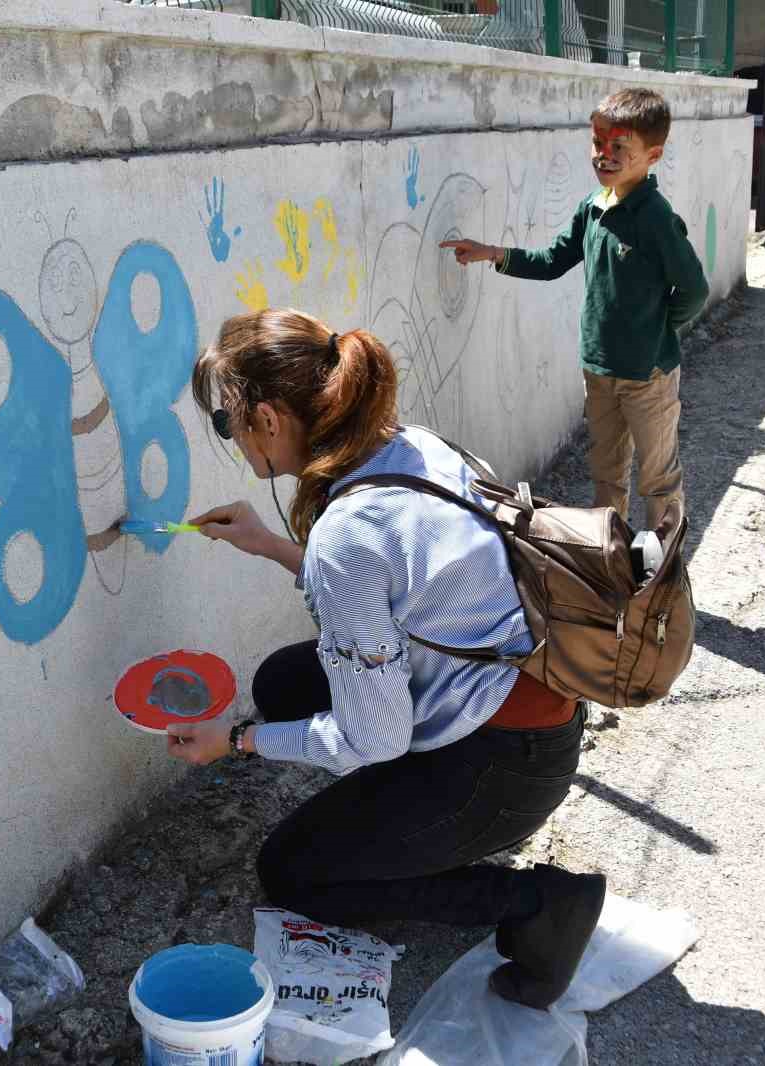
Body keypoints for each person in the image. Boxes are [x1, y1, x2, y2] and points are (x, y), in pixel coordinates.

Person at [167, 307, 605, 1009]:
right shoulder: (402, 446)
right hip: (516, 703)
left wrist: (238, 741)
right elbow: (390, 590)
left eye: (227, 423)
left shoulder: (346, 532)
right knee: (284, 681)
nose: (231, 437)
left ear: (269, 420)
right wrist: (271, 545)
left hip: (507, 766)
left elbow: (373, 736)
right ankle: (399, 815)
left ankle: (536, 903)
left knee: (292, 872)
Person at [441, 87, 708, 532]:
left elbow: (694, 290)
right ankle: (611, 559)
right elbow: (552, 261)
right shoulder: (593, 208)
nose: (603, 155)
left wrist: (657, 330)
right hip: (598, 370)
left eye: (618, 147)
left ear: (653, 155)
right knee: (606, 475)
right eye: (598, 143)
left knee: (658, 480)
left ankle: (663, 568)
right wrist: (493, 253)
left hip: (648, 378)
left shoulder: (656, 217)